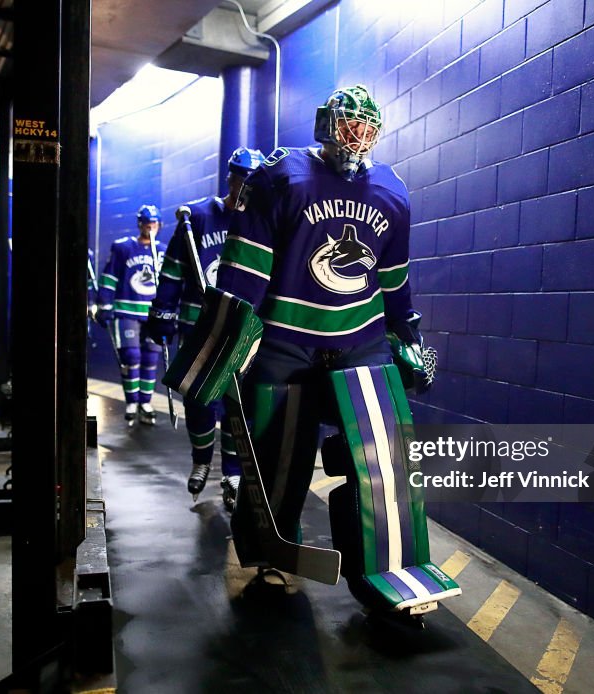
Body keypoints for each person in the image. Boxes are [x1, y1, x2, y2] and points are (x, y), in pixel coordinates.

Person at [168, 84, 459, 618]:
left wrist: (408, 335)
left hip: (360, 340)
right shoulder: (280, 176)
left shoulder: (393, 191)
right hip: (287, 340)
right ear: (328, 122)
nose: (356, 136)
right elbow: (247, 268)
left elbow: (394, 282)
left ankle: (389, 565)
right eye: (348, 124)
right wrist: (227, 340)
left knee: (381, 455)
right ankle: (270, 554)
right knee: (279, 455)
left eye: (365, 127)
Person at [146, 147, 266, 510]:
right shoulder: (196, 217)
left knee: (237, 404)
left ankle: (231, 471)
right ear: (230, 178)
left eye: (251, 182)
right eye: (239, 179)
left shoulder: (262, 222)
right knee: (199, 398)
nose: (243, 187)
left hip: (241, 330)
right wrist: (163, 309)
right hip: (200, 326)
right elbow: (173, 269)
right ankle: (201, 460)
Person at [96, 204, 167, 424]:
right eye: (147, 223)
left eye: (154, 223)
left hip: (153, 313)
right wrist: (104, 305)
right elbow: (109, 278)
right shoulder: (123, 248)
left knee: (150, 358)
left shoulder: (163, 250)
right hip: (127, 310)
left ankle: (145, 402)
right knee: (131, 357)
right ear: (140, 224)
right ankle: (132, 401)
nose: (150, 227)